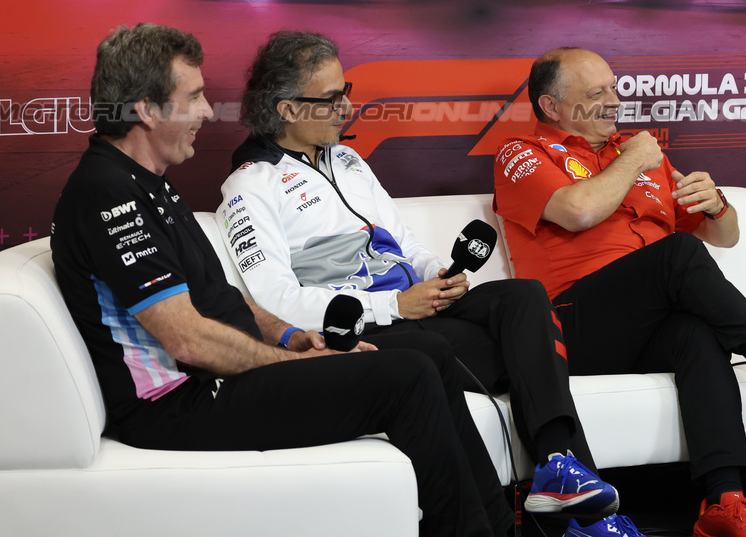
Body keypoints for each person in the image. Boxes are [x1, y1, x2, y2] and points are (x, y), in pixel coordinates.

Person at [51, 23, 511, 537]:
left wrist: (293, 336)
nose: (208, 111)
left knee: (431, 359)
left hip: (223, 379)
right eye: (195, 97)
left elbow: (221, 301)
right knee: (409, 377)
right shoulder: (106, 193)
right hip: (177, 405)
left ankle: (495, 528)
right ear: (146, 110)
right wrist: (293, 360)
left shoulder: (150, 183)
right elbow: (185, 337)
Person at [219, 31, 638, 537]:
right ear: (286, 109)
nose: (346, 106)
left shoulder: (349, 161)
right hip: (378, 331)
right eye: (331, 98)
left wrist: (436, 275)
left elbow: (406, 242)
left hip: (422, 309)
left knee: (523, 298)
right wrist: (393, 305)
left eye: (345, 89)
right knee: (504, 349)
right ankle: (568, 524)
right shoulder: (250, 184)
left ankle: (558, 467)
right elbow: (275, 301)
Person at [492, 47, 746, 537]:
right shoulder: (522, 154)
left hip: (641, 324)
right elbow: (579, 211)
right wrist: (633, 159)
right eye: (597, 93)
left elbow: (725, 236)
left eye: (615, 87)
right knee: (676, 254)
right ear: (551, 106)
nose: (615, 101)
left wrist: (717, 206)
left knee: (697, 332)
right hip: (570, 325)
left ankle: (724, 501)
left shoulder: (637, 155)